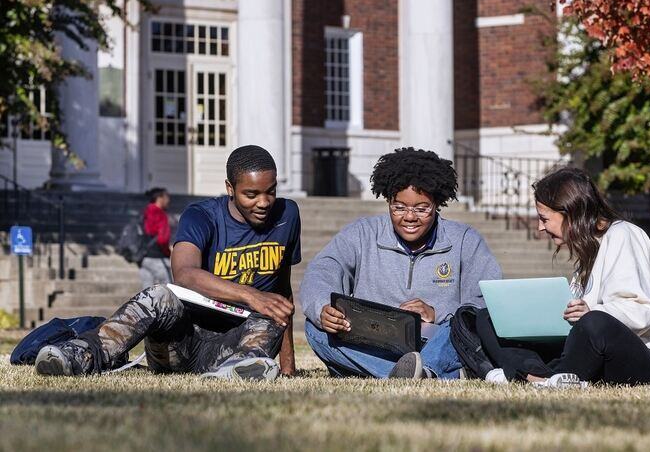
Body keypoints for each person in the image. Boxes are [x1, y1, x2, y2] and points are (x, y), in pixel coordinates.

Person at [34, 145, 301, 380]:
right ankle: (81, 355)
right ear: (230, 188)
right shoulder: (201, 215)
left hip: (236, 345)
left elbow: (281, 292)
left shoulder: (287, 214)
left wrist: (288, 365)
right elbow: (183, 273)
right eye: (251, 194)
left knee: (270, 315)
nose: (264, 202)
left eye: (271, 191)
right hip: (181, 342)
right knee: (160, 294)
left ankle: (238, 369)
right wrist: (250, 295)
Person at [300, 147, 502, 379]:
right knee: (315, 328)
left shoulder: (465, 240)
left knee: (460, 327)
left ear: (437, 203)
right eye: (399, 207)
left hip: (435, 340)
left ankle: (420, 370)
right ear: (388, 201)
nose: (409, 217)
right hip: (373, 341)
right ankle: (422, 374)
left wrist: (438, 313)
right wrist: (323, 308)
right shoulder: (362, 233)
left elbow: (483, 303)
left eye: (421, 208)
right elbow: (322, 270)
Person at [482, 166, 650, 386]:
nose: (540, 227)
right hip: (593, 351)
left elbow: (641, 312)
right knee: (485, 318)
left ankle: (537, 376)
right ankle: (535, 375)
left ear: (570, 213)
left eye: (545, 218)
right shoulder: (587, 252)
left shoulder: (622, 235)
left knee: (595, 323)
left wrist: (590, 312)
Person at [140, 187, 172, 288]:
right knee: (169, 291)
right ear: (160, 198)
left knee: (146, 295)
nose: (168, 200)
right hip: (158, 258)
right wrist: (168, 252)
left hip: (144, 258)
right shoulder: (160, 214)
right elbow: (163, 239)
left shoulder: (145, 212)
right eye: (166, 197)